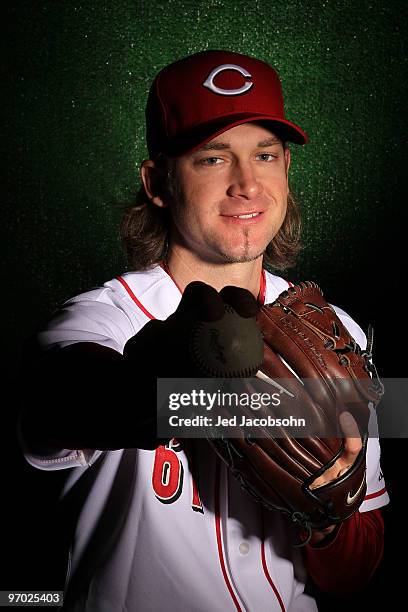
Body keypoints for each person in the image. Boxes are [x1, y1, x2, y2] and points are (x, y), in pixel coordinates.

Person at [18, 50, 388, 611]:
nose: (247, 183)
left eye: (264, 154)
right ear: (159, 182)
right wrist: (151, 386)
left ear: (285, 171)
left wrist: (327, 519)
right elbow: (62, 400)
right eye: (212, 158)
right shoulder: (100, 320)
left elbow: (358, 569)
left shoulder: (336, 335)